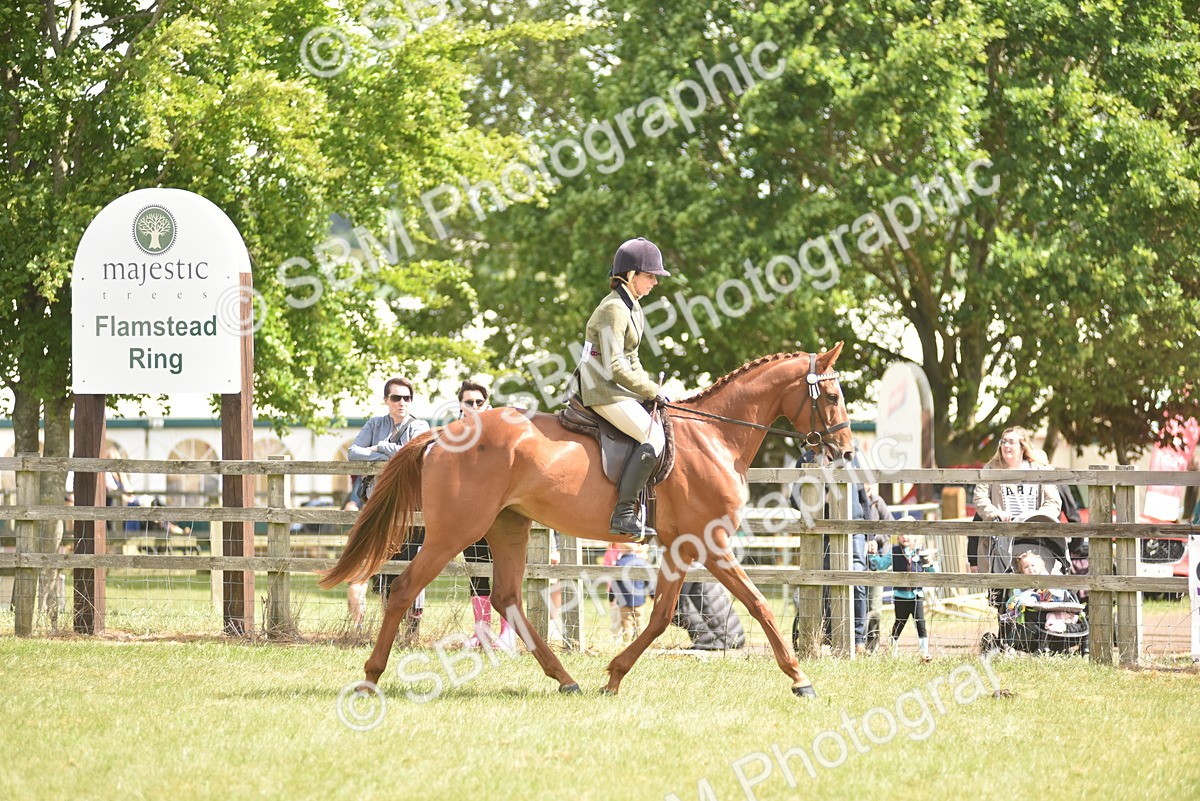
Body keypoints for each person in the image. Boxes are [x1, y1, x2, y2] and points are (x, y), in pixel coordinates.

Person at [578, 237, 671, 540]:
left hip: (618, 388)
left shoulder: (633, 308)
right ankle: (624, 513)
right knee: (653, 435)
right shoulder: (614, 310)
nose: (655, 282)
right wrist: (648, 391)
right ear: (631, 275)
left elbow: (634, 361)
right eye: (650, 275)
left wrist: (651, 389)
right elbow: (615, 367)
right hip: (602, 389)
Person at [347, 377, 430, 642]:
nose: (402, 403)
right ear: (386, 400)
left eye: (407, 398)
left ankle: (412, 631)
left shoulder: (419, 425)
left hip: (410, 509)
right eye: (396, 398)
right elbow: (353, 453)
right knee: (383, 570)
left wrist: (380, 447)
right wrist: (391, 453)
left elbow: (416, 452)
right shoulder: (375, 424)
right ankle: (389, 627)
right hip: (378, 506)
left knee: (410, 566)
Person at [455, 380, 517, 651]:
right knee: (476, 571)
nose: (475, 407)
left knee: (503, 572)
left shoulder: (498, 432)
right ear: (460, 405)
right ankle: (481, 631)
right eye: (469, 402)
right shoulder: (454, 434)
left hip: (500, 514)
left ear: (488, 404)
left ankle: (508, 632)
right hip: (468, 514)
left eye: (479, 402)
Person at [870, 521, 938, 660]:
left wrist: (930, 563)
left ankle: (924, 652)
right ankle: (892, 650)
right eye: (902, 533)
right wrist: (872, 555)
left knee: (921, 623)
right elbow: (882, 565)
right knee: (899, 623)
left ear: (915, 536)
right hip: (900, 595)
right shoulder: (894, 552)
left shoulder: (921, 551)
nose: (905, 536)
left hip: (916, 595)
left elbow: (931, 571)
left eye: (909, 533)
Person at [973, 427, 1062, 523]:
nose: (1006, 445)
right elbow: (980, 498)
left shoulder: (1038, 469)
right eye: (1003, 441)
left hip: (1032, 532)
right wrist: (996, 513)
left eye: (1011, 442)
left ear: (1022, 447)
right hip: (1002, 531)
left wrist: (1038, 517)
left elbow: (1054, 501)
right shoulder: (991, 469)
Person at [1005, 550, 1081, 633]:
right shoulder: (1023, 581)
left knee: (1057, 587)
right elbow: (1019, 595)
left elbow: (1056, 589)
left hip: (1054, 602)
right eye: (1026, 567)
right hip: (1037, 608)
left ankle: (1064, 622)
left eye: (1033, 565)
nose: (1030, 568)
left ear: (1039, 566)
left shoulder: (1044, 575)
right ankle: (1055, 626)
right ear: (1022, 570)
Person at [609, 542, 652, 643]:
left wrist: (611, 597)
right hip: (639, 598)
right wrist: (652, 594)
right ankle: (642, 642)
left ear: (622, 550)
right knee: (640, 621)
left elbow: (614, 583)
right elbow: (649, 581)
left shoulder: (619, 563)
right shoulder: (641, 562)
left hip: (623, 599)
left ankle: (627, 642)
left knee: (627, 621)